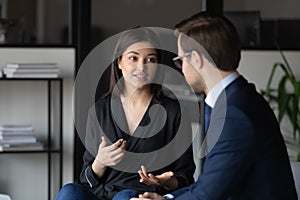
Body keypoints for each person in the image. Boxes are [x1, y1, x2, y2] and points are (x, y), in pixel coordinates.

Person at [131, 12, 298, 200]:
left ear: (196, 59)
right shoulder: (234, 99)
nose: (182, 68)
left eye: (180, 61)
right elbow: (208, 184)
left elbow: (209, 193)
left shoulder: (234, 112)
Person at [56, 27, 195, 200]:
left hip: (139, 196)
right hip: (101, 194)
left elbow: (186, 178)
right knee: (70, 191)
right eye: (133, 58)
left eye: (150, 59)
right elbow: (86, 179)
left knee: (125, 196)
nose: (141, 67)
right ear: (119, 62)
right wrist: (100, 162)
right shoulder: (99, 110)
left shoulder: (174, 112)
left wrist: (163, 181)